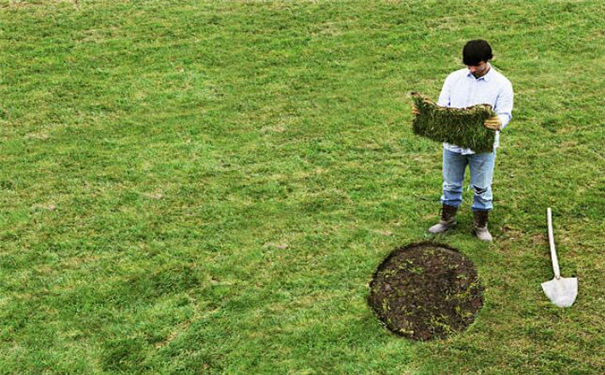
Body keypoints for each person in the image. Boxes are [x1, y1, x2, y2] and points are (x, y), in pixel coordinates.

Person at [413, 39, 514, 241]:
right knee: (450, 184)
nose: (472, 68)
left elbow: (505, 113)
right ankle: (447, 220)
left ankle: (481, 225)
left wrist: (498, 122)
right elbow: (443, 108)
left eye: (477, 65)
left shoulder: (502, 84)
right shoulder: (454, 79)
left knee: (482, 187)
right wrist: (424, 114)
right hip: (453, 145)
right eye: (468, 65)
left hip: (482, 147)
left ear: (488, 60)